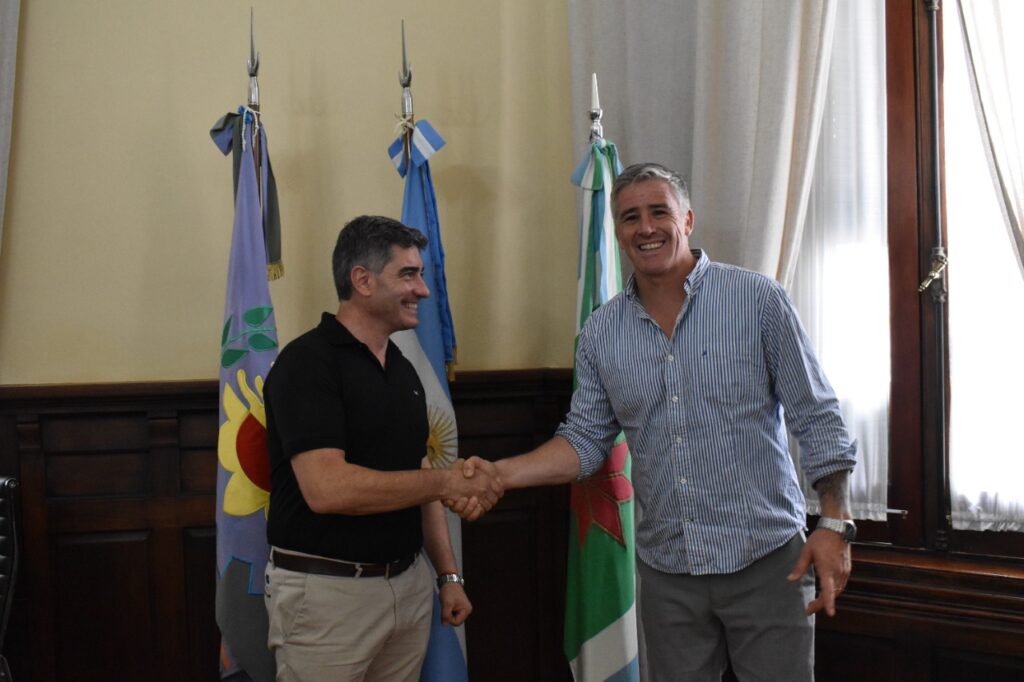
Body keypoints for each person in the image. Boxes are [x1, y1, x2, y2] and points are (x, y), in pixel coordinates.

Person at [457, 163, 857, 681]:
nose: (645, 227)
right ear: (618, 232)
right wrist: (499, 474)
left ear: (686, 220)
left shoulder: (758, 300)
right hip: (669, 575)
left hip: (768, 562)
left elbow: (817, 415)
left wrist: (835, 523)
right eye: (630, 217)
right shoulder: (601, 332)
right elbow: (583, 441)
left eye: (658, 212)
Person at [263, 214, 503, 682]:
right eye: (408, 274)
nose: (424, 290)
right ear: (362, 280)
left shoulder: (403, 369)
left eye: (421, 275)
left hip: (408, 589)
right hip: (328, 597)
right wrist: (447, 481)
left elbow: (420, 476)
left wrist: (448, 576)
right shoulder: (307, 364)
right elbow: (327, 489)